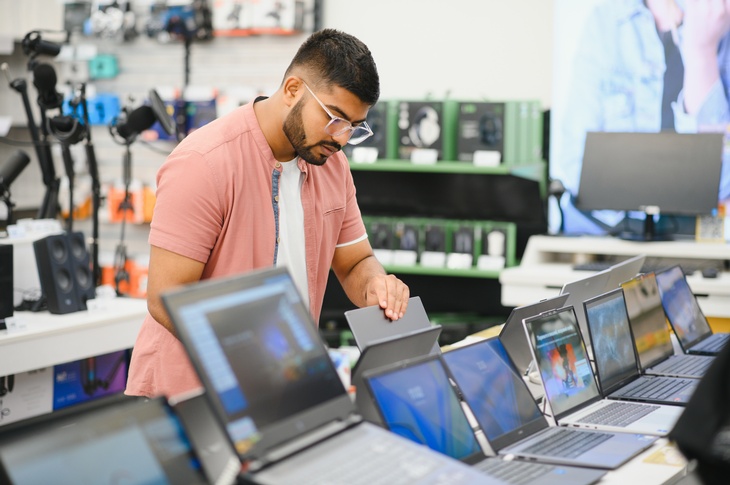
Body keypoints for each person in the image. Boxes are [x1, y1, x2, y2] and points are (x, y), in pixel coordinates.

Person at [125, 29, 410, 399]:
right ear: (293, 89)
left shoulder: (332, 166)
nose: (341, 138)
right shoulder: (204, 163)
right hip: (191, 397)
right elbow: (165, 298)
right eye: (335, 118)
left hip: (279, 385)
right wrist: (250, 353)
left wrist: (376, 285)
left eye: (354, 128)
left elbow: (356, 262)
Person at [551, 0, 730, 235]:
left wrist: (701, 54)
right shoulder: (606, 22)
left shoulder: (721, 21)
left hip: (696, 241)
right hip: (605, 235)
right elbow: (575, 167)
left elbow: (721, 187)